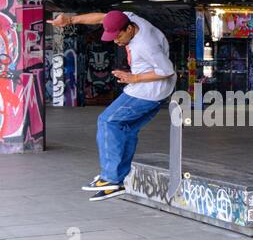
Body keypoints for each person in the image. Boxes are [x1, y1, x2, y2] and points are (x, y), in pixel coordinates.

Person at [47, 11, 176, 201]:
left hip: (149, 90)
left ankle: (110, 178)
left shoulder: (146, 45)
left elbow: (166, 70)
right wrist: (70, 20)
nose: (116, 42)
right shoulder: (131, 18)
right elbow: (103, 17)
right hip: (156, 91)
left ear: (129, 28)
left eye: (119, 37)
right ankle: (118, 180)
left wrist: (134, 78)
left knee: (108, 121)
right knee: (126, 129)